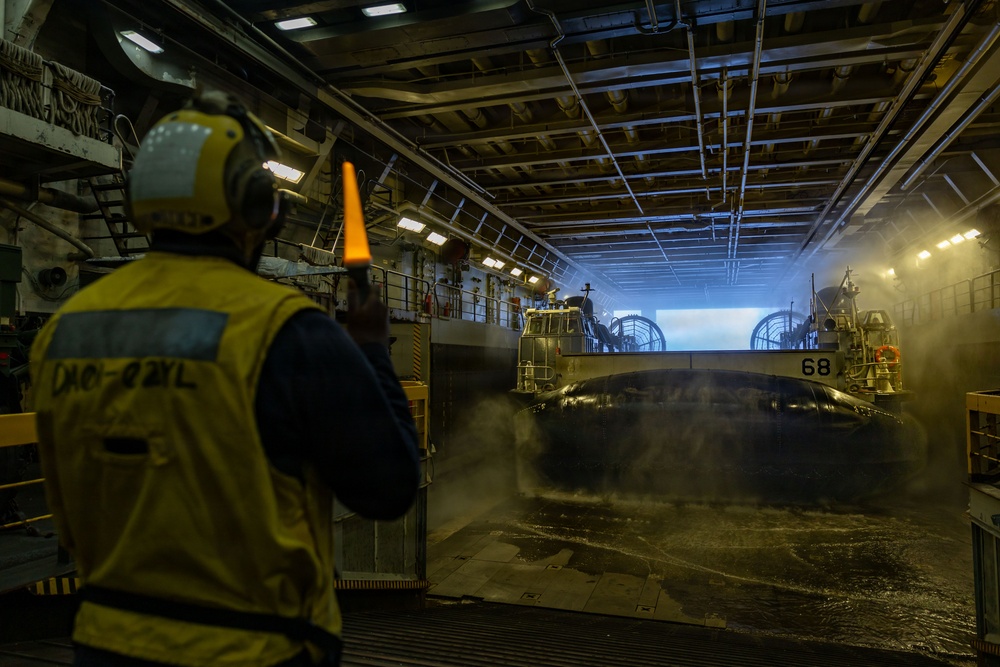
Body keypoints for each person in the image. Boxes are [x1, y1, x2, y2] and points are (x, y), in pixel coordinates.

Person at [29, 90, 420, 667]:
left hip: (104, 641)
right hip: (255, 648)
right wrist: (372, 351)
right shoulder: (289, 333)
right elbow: (389, 488)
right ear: (256, 207)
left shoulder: (62, 333)